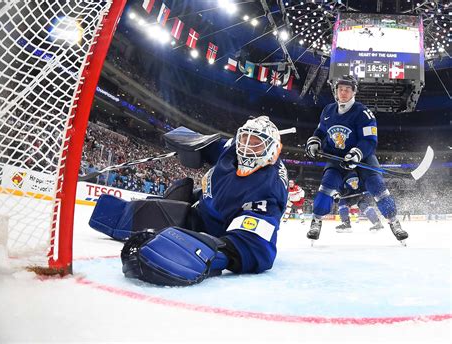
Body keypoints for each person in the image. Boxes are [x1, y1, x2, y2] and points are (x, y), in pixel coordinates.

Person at [90, 116, 289, 286]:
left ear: (273, 150)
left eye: (255, 143)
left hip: (222, 228)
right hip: (203, 206)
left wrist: (216, 253)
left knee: (171, 226)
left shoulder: (269, 189)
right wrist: (195, 145)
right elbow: (217, 149)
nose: (246, 147)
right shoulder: (233, 147)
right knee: (153, 207)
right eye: (245, 138)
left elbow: (257, 246)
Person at [305, 75, 407, 243]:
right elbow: (321, 131)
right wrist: (314, 141)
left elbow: (369, 140)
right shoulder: (328, 111)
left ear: (354, 92)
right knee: (327, 187)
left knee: (378, 187)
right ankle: (316, 221)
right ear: (336, 91)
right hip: (337, 158)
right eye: (340, 89)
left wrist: (356, 153)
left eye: (347, 89)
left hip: (362, 158)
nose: (343, 92)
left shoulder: (363, 113)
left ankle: (394, 222)